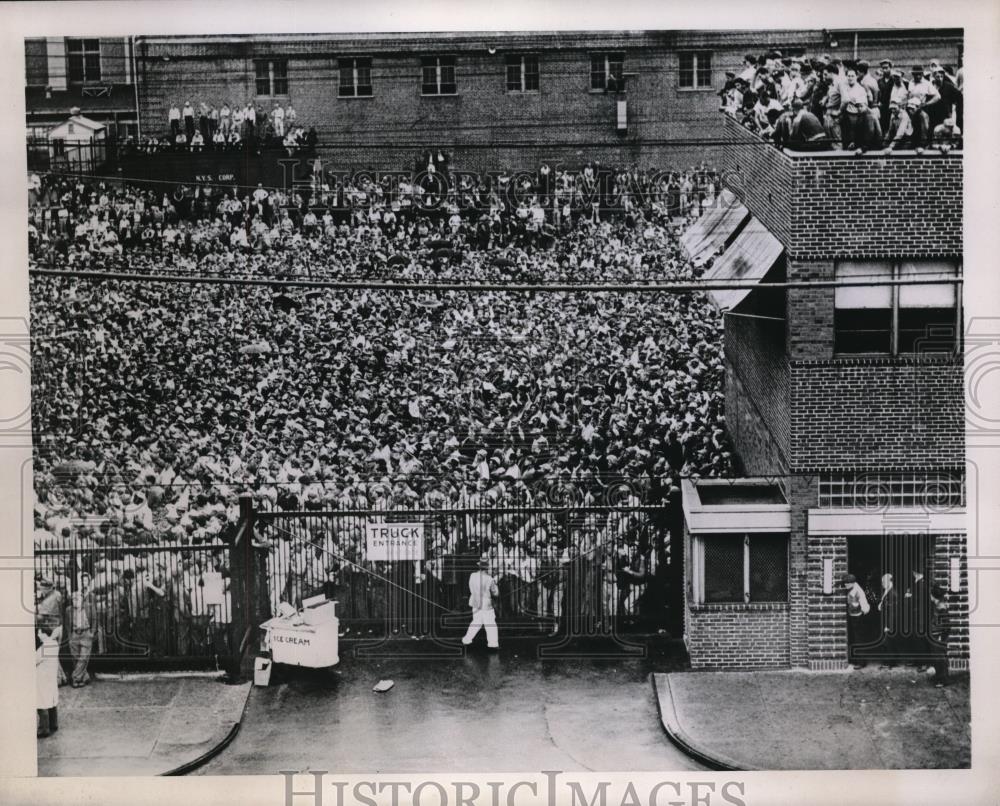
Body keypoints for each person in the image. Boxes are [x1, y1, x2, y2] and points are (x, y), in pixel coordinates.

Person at [461, 554, 499, 649]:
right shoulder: (490, 579)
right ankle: (493, 643)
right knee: (490, 623)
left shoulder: (472, 575)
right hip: (486, 604)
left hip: (475, 602)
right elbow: (496, 593)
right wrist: (496, 583)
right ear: (487, 567)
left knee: (476, 622)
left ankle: (466, 640)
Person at [66, 573, 96, 687]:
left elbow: (94, 619)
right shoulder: (69, 610)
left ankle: (74, 679)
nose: (75, 601)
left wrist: (92, 632)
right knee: (76, 658)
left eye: (77, 599)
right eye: (73, 599)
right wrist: (70, 636)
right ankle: (84, 677)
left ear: (82, 599)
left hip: (86, 633)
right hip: (74, 635)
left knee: (83, 658)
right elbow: (67, 624)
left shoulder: (89, 606)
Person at [36, 622, 61, 738]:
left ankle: (43, 729)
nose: (38, 635)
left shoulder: (43, 648)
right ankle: (53, 724)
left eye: (39, 632)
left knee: (41, 702)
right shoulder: (54, 644)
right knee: (51, 700)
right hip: (51, 677)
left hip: (42, 678)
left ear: (44, 634)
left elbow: (34, 660)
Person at [844, 573, 871, 668]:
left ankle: (861, 662)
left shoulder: (858, 591)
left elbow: (865, 606)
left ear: (852, 583)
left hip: (858, 617)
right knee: (855, 639)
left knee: (859, 640)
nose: (845, 585)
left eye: (847, 583)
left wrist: (861, 614)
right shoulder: (852, 589)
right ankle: (856, 659)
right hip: (853, 616)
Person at [928, 584, 950, 686]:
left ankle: (942, 679)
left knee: (940, 657)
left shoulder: (941, 608)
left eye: (931, 595)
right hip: (935, 634)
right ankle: (939, 676)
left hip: (939, 636)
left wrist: (941, 636)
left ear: (934, 596)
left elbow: (946, 625)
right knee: (937, 656)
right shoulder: (937, 605)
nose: (930, 596)